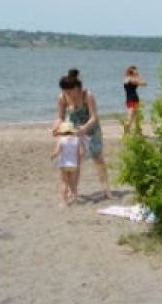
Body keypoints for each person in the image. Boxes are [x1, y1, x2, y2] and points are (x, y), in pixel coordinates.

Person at [52, 68, 111, 199]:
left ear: (77, 88)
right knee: (74, 160)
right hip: (72, 128)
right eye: (64, 91)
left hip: (91, 128)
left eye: (69, 91)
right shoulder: (62, 97)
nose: (67, 94)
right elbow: (60, 117)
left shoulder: (87, 95)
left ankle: (106, 190)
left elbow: (94, 117)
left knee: (98, 159)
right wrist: (56, 126)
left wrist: (84, 128)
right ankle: (73, 191)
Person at [50, 121, 82, 206]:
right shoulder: (77, 140)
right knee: (73, 183)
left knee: (64, 183)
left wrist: (52, 156)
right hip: (73, 164)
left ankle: (65, 201)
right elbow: (78, 153)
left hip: (63, 164)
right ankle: (75, 198)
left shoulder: (61, 140)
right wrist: (78, 163)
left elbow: (57, 151)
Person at [123, 65, 148, 136]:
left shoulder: (131, 79)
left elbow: (144, 83)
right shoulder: (128, 79)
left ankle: (139, 133)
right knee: (130, 118)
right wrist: (138, 76)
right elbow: (144, 83)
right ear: (131, 71)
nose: (137, 72)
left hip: (134, 99)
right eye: (135, 71)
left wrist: (137, 76)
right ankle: (125, 133)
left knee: (137, 117)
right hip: (131, 100)